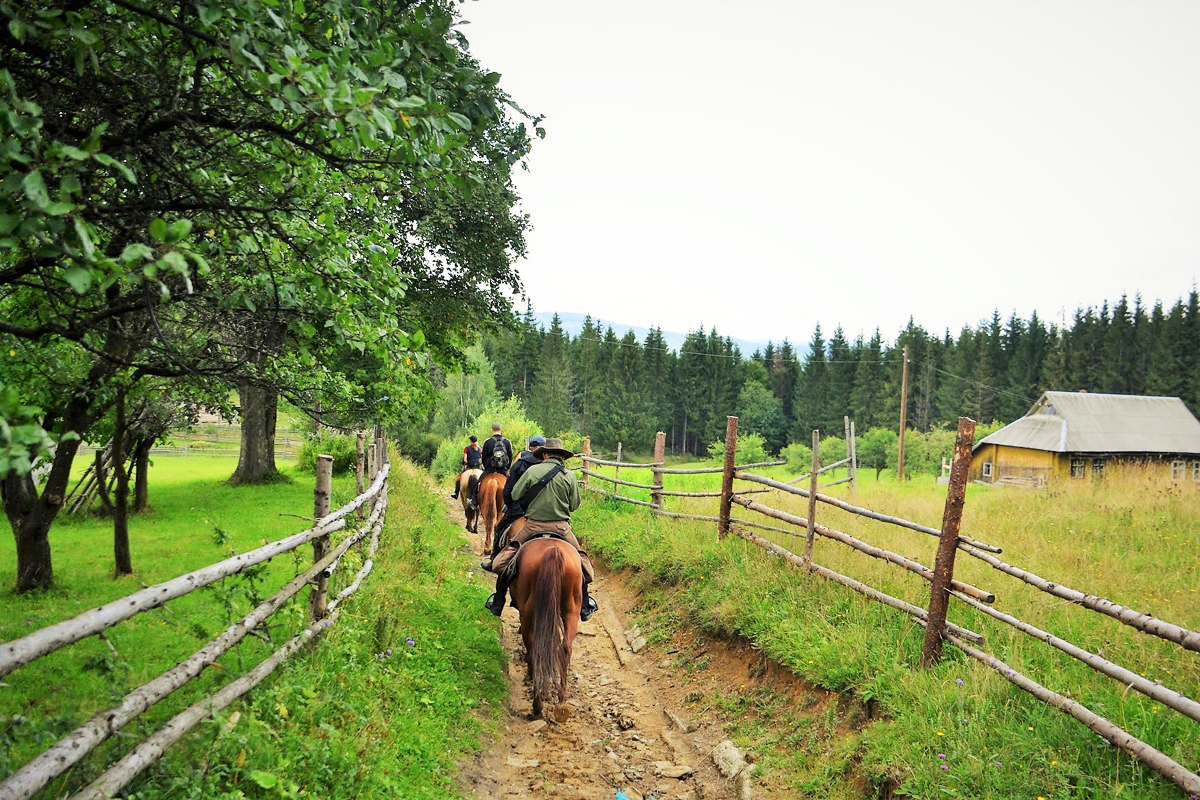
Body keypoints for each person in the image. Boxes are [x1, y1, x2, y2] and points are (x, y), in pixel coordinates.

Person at [483, 438, 598, 622]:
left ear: (544, 454)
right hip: (562, 529)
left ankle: (498, 601)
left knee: (502, 563)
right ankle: (585, 604)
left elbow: (515, 494)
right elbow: (574, 505)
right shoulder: (569, 476)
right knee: (583, 565)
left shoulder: (532, 471)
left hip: (532, 526)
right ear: (562, 456)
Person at [481, 434, 545, 564]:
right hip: (556, 519)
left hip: (520, 511)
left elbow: (510, 492)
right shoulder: (559, 469)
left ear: (530, 447)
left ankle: (494, 559)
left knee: (499, 529)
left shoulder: (520, 464)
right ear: (545, 449)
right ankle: (584, 579)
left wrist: (509, 504)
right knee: (576, 551)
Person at [470, 422, 513, 510]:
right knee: (512, 486)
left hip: (490, 469)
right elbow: (510, 456)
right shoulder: (507, 442)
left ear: (492, 430)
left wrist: (487, 468)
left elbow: (484, 457)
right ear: (501, 429)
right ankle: (511, 505)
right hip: (503, 470)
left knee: (478, 484)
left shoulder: (488, 442)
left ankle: (474, 501)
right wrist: (506, 468)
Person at [450, 435, 482, 499]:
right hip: (478, 467)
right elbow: (482, 459)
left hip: (469, 467)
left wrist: (464, 464)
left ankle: (456, 493)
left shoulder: (466, 448)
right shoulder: (480, 449)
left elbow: (465, 460)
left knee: (458, 478)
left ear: (471, 441)